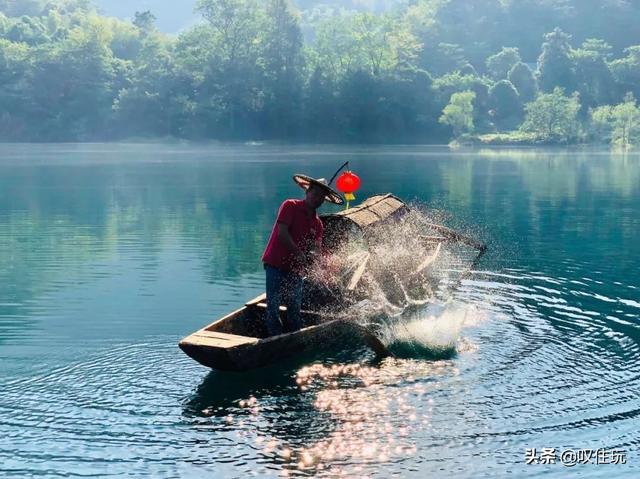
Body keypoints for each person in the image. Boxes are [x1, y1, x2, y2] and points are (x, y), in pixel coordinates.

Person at [261, 174, 344, 336]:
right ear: (307, 192)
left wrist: (322, 266)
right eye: (315, 194)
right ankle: (275, 338)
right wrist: (298, 252)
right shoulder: (290, 206)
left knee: (294, 306)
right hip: (275, 264)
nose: (318, 198)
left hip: (296, 269)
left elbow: (315, 249)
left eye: (321, 197)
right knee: (273, 305)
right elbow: (282, 234)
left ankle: (294, 337)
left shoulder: (317, 224)